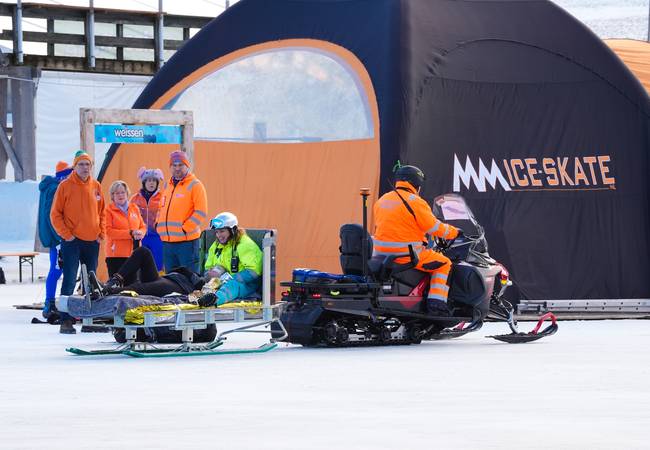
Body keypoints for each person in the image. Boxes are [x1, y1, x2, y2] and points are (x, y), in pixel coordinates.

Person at [372, 164, 460, 315]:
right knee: (444, 263)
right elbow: (433, 227)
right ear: (416, 184)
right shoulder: (416, 201)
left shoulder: (382, 200)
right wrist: (455, 232)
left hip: (382, 255)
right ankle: (436, 303)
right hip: (407, 255)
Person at [50, 150, 106, 334]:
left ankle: (89, 319)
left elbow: (102, 212)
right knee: (69, 279)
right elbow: (55, 214)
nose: (84, 168)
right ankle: (66, 320)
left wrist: (101, 233)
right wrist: (66, 235)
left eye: (87, 164)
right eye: (81, 164)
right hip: (72, 241)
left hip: (92, 241)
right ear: (75, 166)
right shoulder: (65, 186)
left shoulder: (96, 186)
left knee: (91, 281)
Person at [156, 150, 208, 273]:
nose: (177, 168)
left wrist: (185, 228)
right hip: (168, 243)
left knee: (188, 279)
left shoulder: (195, 185)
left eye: (181, 165)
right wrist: (157, 224)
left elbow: (201, 211)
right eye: (174, 165)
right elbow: (160, 208)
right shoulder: (166, 186)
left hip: (187, 243)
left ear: (187, 166)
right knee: (170, 280)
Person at [199, 212, 263, 307]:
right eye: (216, 232)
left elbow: (254, 272)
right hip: (222, 281)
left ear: (232, 230)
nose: (218, 235)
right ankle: (199, 299)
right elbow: (208, 267)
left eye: (222, 231)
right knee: (202, 283)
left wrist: (229, 279)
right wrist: (211, 274)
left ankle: (213, 300)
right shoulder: (216, 246)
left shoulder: (245, 245)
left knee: (232, 285)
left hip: (246, 284)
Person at [37, 161, 72, 321]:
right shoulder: (54, 189)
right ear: (63, 176)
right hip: (58, 238)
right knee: (56, 270)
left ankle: (51, 302)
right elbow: (52, 217)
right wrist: (59, 238)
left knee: (58, 270)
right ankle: (49, 303)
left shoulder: (51, 187)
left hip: (57, 238)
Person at [102, 246, 204, 297]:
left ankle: (107, 291)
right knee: (143, 251)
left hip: (182, 289)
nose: (219, 235)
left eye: (220, 232)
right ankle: (113, 282)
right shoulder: (213, 252)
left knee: (143, 287)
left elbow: (208, 294)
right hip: (170, 278)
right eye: (217, 232)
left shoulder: (211, 283)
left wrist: (203, 282)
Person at [105, 180, 146, 282]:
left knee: (133, 286)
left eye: (123, 192)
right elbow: (109, 231)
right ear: (112, 195)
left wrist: (140, 233)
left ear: (127, 193)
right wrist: (130, 233)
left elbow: (142, 226)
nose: (120, 195)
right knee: (117, 287)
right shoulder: (108, 210)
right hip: (116, 256)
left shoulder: (134, 208)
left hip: (134, 254)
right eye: (117, 193)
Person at [130, 167, 164, 271]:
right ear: (144, 182)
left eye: (154, 180)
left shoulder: (163, 197)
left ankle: (159, 285)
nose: (151, 183)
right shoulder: (135, 198)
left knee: (158, 264)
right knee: (141, 263)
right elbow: (130, 216)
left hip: (157, 237)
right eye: (149, 180)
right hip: (141, 237)